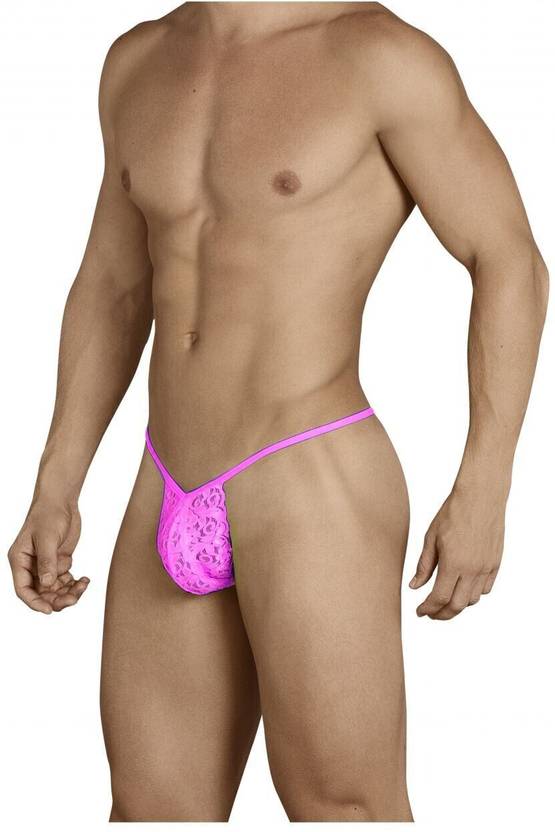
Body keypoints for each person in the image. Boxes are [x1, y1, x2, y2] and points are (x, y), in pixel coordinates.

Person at [7, 1, 548, 823]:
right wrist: (57, 480)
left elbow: (506, 256)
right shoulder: (137, 59)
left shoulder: (379, 56)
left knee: (342, 806)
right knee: (151, 810)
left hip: (307, 472)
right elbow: (113, 284)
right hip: (165, 477)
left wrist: (485, 485)